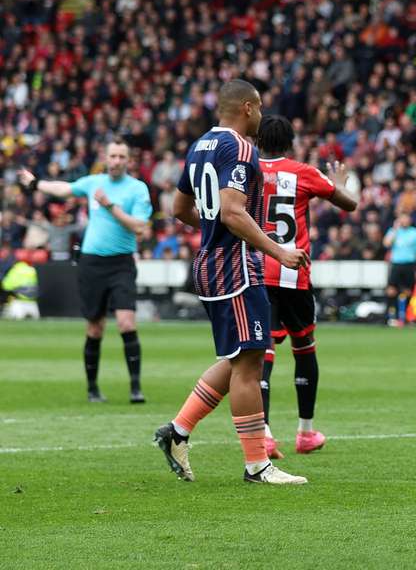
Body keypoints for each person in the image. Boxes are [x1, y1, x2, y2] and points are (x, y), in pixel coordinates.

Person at [153, 80, 309, 485]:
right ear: (248, 107)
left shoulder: (201, 144)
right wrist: (279, 251)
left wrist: (212, 230)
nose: (260, 114)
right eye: (259, 107)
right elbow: (233, 213)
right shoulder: (240, 148)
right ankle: (258, 464)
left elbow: (179, 207)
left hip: (212, 262)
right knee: (251, 362)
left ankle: (178, 430)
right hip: (235, 266)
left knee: (240, 356)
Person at [254, 114, 358, 459]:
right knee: (305, 349)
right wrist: (340, 181)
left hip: (257, 271)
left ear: (257, 141)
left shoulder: (247, 169)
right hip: (294, 274)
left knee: (261, 354)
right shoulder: (303, 172)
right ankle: (306, 432)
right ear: (291, 143)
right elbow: (348, 204)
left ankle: (264, 434)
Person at [19, 139, 152, 403]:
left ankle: (135, 388)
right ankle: (92, 389)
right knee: (95, 328)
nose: (115, 161)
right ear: (106, 157)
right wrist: (36, 183)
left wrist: (110, 207)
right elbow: (64, 189)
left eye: (121, 157)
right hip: (92, 263)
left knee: (127, 322)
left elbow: (139, 227)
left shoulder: (137, 189)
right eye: (112, 156)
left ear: (128, 161)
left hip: (121, 263)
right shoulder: (93, 183)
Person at [382, 212, 416, 326]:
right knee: (391, 290)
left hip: (409, 265)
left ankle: (407, 317)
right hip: (396, 264)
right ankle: (392, 316)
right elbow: (386, 243)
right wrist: (395, 229)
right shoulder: (394, 231)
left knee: (408, 291)